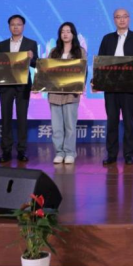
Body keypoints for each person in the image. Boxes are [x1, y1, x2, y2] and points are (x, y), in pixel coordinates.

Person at [98, 8, 133, 165]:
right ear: (114, 20)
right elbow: (100, 62)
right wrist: (97, 81)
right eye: (118, 17)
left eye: (125, 16)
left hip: (129, 88)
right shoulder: (107, 39)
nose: (122, 19)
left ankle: (129, 155)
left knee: (128, 122)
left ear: (129, 18)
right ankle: (111, 154)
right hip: (111, 88)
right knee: (112, 121)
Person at [0, 14, 39, 163]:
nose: (15, 27)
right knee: (5, 118)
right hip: (6, 86)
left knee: (22, 118)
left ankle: (21, 150)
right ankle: (6, 151)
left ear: (23, 26)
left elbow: (36, 64)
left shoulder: (31, 43)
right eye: (13, 24)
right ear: (9, 27)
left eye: (18, 24)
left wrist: (31, 58)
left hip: (23, 86)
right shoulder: (2, 45)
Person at [48, 22, 84, 164]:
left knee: (70, 125)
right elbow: (47, 71)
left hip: (71, 93)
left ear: (73, 34)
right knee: (56, 126)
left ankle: (70, 152)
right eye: (63, 31)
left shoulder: (79, 51)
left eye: (68, 31)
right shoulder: (53, 52)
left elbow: (83, 71)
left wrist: (81, 85)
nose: (65, 34)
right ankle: (59, 152)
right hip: (55, 93)